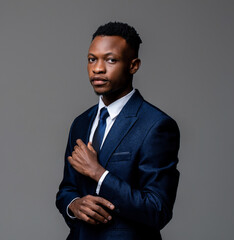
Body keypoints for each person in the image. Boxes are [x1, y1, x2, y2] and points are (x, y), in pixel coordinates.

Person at [56, 22, 180, 240]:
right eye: (92, 59)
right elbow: (67, 189)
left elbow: (157, 210)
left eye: (111, 60)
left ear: (133, 65)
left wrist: (99, 174)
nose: (98, 68)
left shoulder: (157, 126)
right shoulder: (80, 123)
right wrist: (74, 205)